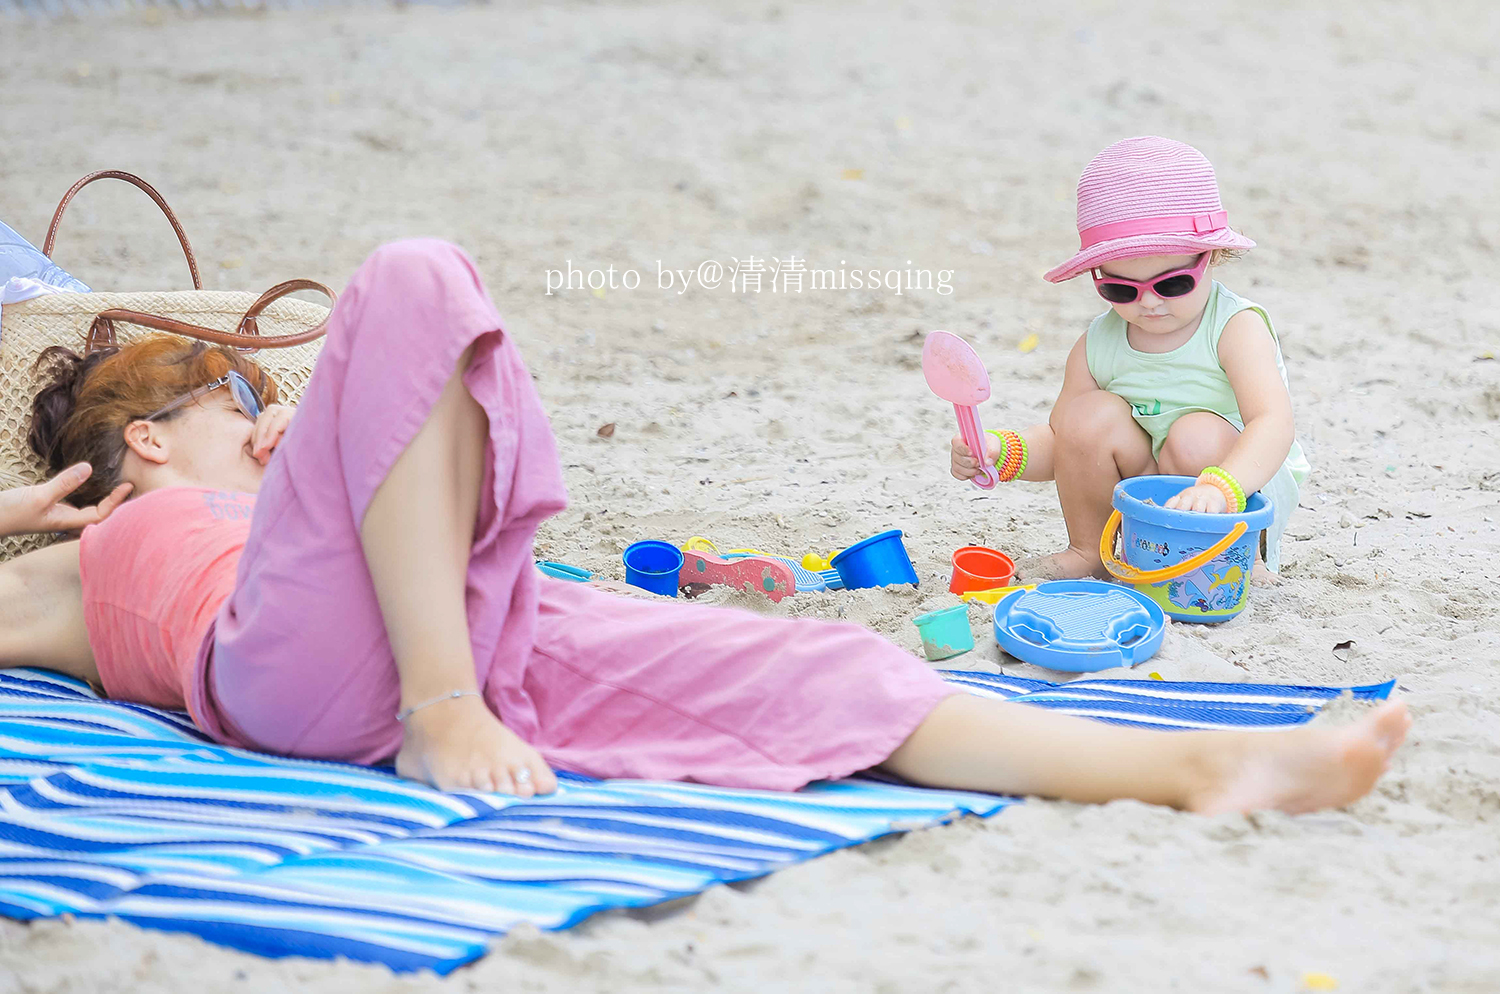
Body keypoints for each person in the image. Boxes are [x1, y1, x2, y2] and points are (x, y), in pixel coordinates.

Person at [0, 239, 1405, 816]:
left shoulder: (352, 506)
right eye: (239, 395)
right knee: (417, 274)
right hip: (303, 666)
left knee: (833, 681)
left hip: (492, 629)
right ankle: (440, 704)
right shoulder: (117, 538)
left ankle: (1195, 764)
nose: (270, 412)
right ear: (142, 438)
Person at [950, 136, 1309, 582]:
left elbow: (1273, 424)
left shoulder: (1234, 328)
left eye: (1172, 284)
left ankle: (1236, 559)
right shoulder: (1098, 343)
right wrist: (1001, 453)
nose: (1149, 304)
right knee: (1088, 414)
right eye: (1122, 290)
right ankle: (1089, 550)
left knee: (1193, 434)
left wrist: (1221, 487)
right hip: (1148, 488)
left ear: (1213, 255)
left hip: (1235, 486)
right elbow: (1068, 446)